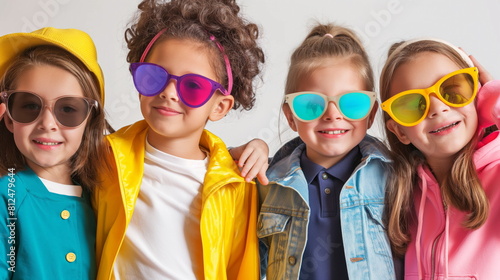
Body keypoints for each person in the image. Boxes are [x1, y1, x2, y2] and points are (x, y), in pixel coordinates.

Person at [93, 0, 266, 279]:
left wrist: (258, 147)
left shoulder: (237, 184)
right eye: (155, 77)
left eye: (193, 86)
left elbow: (241, 267)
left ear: (219, 106)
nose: (169, 93)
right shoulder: (104, 157)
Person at [258, 23, 398, 280]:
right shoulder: (268, 183)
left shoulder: (396, 177)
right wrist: (248, 149)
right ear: (290, 117)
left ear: (371, 114)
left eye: (352, 103)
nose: (333, 115)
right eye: (311, 104)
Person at [380, 38, 500, 279]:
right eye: (413, 105)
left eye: (453, 90)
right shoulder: (401, 195)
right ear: (400, 131)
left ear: (478, 96)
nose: (437, 109)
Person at [0, 27, 108, 279]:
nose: (47, 123)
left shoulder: (105, 195)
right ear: (8, 118)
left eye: (68, 109)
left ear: (89, 120)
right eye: (29, 106)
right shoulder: (7, 196)